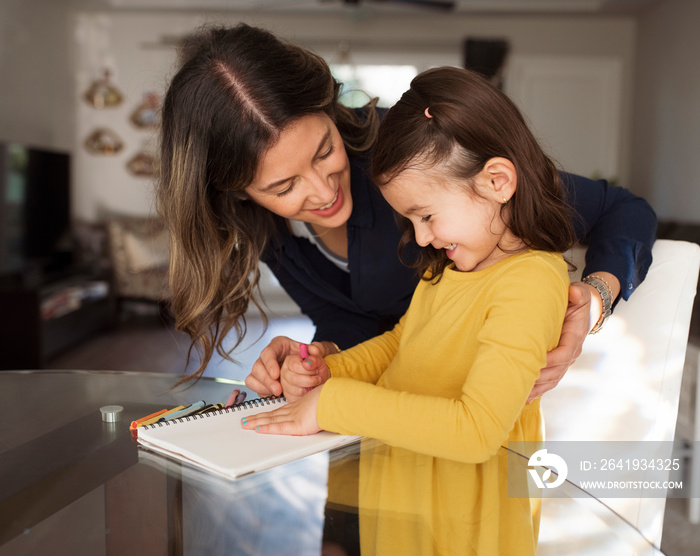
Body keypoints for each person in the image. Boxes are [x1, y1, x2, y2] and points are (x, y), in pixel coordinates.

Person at [157, 23, 657, 397]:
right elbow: (348, 312)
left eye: (325, 150)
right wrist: (323, 354)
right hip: (381, 408)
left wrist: (596, 296)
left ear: (330, 111)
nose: (321, 191)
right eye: (284, 185)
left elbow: (624, 211)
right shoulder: (260, 224)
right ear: (239, 192)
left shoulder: (415, 157)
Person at [241, 65, 578, 555]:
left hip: (463, 518)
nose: (420, 237)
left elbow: (477, 431)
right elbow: (404, 343)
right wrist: (329, 372)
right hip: (402, 489)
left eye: (426, 215)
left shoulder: (531, 281)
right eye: (410, 219)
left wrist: (335, 404)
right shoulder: (455, 262)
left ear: (497, 181)